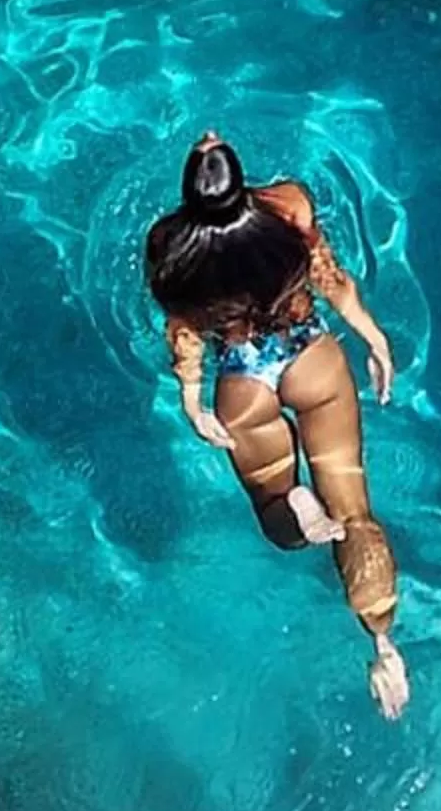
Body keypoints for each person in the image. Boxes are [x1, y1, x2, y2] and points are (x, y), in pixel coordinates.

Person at [144, 134, 409, 719]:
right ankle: (383, 643)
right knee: (357, 515)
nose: (209, 136)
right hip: (310, 357)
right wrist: (373, 337)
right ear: (239, 183)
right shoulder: (289, 206)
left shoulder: (167, 245)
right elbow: (329, 278)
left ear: (190, 192)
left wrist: (193, 403)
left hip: (242, 383)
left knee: (272, 511)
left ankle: (293, 506)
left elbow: (185, 335)